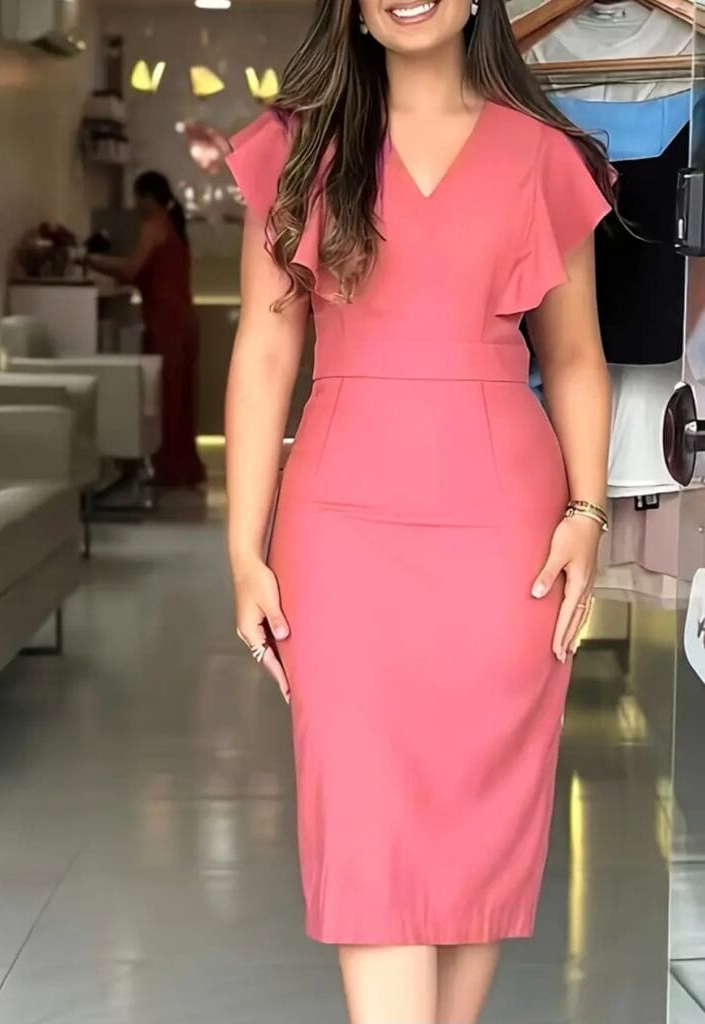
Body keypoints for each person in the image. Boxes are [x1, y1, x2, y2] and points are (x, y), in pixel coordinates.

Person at [224, 0, 614, 1017]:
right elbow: (265, 352)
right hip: (339, 542)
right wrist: (242, 548)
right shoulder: (298, 147)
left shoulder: (543, 155)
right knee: (366, 828)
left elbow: (576, 356)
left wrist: (588, 512)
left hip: (505, 546)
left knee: (480, 828)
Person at [86, 171, 206, 487]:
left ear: (148, 198)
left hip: (166, 320)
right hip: (183, 319)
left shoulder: (153, 225)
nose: (135, 206)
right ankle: (181, 466)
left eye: (137, 199)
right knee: (180, 395)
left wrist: (90, 260)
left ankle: (167, 467)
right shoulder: (173, 225)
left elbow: (131, 269)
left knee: (164, 395)